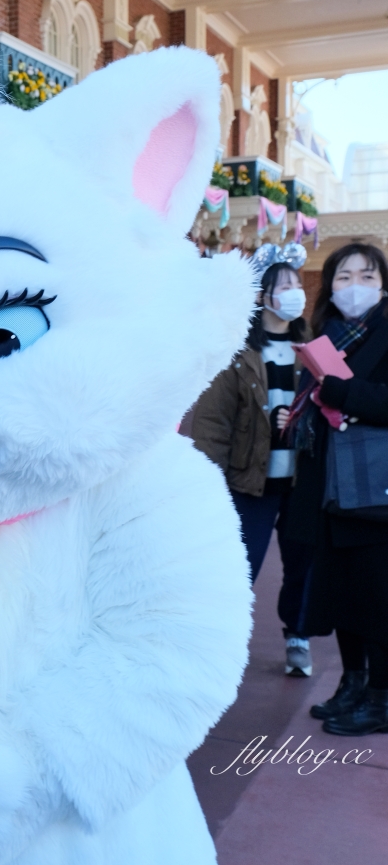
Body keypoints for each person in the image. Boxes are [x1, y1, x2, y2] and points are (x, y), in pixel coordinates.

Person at [189, 250, 313, 676]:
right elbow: (212, 421)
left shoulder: (312, 350)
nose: (294, 293)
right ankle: (218, 645)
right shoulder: (238, 350)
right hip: (249, 481)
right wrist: (209, 482)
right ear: (263, 296)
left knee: (302, 565)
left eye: (298, 284)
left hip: (300, 483)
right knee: (239, 568)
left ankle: (297, 635)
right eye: (284, 286)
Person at [286, 242, 388, 735]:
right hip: (331, 486)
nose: (354, 287)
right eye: (343, 277)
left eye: (366, 276)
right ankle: (353, 683)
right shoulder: (325, 337)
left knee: (378, 595)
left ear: (383, 284)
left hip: (374, 488)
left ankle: (381, 697)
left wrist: (343, 393)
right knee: (345, 593)